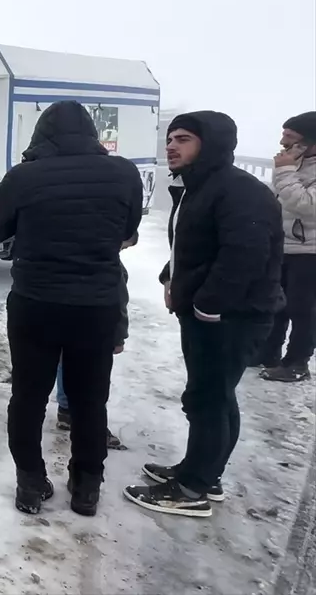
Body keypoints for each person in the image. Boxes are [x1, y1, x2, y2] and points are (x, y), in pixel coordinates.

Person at [0, 100, 143, 517]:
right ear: (90, 132)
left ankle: (30, 482)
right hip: (96, 305)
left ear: (42, 134)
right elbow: (127, 230)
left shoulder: (25, 175)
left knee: (28, 397)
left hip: (36, 303)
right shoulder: (123, 172)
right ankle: (87, 486)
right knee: (91, 400)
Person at [125, 111, 284, 518]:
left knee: (208, 399)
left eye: (183, 139)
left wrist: (206, 304)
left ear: (208, 144)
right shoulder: (201, 187)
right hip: (210, 313)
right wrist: (169, 278)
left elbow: (244, 257)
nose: (171, 147)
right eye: (170, 139)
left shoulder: (239, 191)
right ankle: (202, 472)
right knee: (213, 396)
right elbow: (192, 247)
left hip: (231, 317)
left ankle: (193, 488)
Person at [55, 232, 138, 450]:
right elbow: (118, 304)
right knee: (91, 380)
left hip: (63, 320)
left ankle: (66, 410)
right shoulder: (112, 267)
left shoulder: (73, 252)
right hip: (94, 327)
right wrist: (119, 336)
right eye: (124, 247)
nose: (122, 251)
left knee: (65, 361)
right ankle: (92, 428)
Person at [259, 111, 316, 382]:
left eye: (290, 137)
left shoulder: (291, 166)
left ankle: (297, 362)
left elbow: (306, 205)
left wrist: (284, 171)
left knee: (302, 309)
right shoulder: (297, 163)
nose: (282, 142)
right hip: (284, 245)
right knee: (275, 302)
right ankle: (267, 353)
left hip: (310, 251)